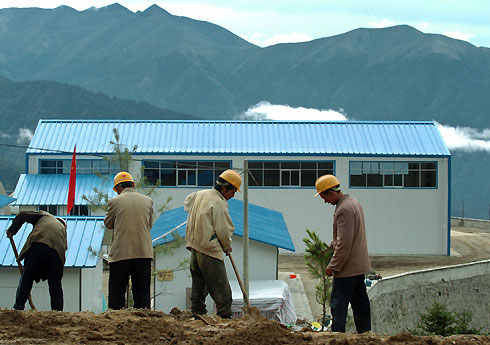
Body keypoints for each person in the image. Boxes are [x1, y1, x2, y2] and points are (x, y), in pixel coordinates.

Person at [314, 174, 371, 333]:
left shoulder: (344, 209)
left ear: (329, 192)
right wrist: (332, 245)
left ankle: (337, 337)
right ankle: (365, 334)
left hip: (347, 268)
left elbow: (345, 243)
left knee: (338, 304)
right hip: (358, 266)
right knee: (360, 303)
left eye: (323, 197)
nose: (325, 201)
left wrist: (333, 265)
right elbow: (349, 235)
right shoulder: (354, 203)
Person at [184, 169, 241, 319]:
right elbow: (223, 230)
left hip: (195, 246)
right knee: (222, 290)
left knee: (199, 285)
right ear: (224, 188)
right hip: (209, 249)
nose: (232, 196)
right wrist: (226, 245)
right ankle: (224, 318)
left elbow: (187, 204)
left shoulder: (200, 194)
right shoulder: (218, 203)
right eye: (233, 192)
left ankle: (197, 316)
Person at [104, 171, 154, 309]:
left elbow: (108, 224)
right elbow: (149, 224)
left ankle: (116, 317)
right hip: (143, 252)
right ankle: (143, 319)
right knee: (142, 292)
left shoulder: (114, 202)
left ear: (118, 188)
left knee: (117, 291)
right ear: (132, 184)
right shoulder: (148, 201)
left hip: (121, 253)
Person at [6, 211, 68, 311]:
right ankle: (58, 311)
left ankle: (19, 306)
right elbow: (63, 250)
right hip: (56, 255)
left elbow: (23, 215)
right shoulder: (63, 232)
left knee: (27, 277)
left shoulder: (45, 216)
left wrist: (12, 230)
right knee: (55, 285)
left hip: (38, 244)